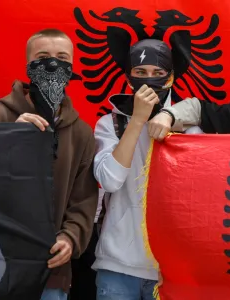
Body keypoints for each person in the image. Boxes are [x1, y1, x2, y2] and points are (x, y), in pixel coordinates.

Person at [0, 29, 99, 300]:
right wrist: (7, 138)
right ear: (28, 65)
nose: (53, 63)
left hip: (50, 271)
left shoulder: (82, 133)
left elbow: (83, 200)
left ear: (72, 68)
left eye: (62, 57)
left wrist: (70, 239)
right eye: (43, 57)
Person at [93, 39, 183, 300]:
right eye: (140, 73)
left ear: (171, 76)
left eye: (158, 73)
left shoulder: (190, 124)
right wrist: (137, 120)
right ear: (128, 76)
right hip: (117, 265)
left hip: (171, 267)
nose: (150, 80)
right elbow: (109, 181)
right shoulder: (109, 123)